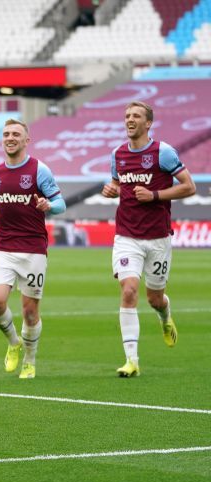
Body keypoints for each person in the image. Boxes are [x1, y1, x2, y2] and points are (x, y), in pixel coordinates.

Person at [101, 101, 195, 377]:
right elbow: (119, 183)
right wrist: (112, 188)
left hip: (158, 237)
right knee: (129, 289)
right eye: (127, 115)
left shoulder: (163, 153)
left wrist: (154, 195)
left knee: (155, 298)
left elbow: (189, 187)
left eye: (136, 116)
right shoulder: (117, 154)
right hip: (126, 235)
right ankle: (132, 360)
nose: (130, 119)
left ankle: (165, 318)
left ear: (148, 123)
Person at [0, 118, 66, 379]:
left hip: (33, 249)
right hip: (3, 248)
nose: (10, 137)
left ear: (26, 140)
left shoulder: (40, 170)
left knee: (30, 312)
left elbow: (60, 203)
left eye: (16, 133)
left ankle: (30, 359)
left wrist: (49, 207)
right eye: (6, 133)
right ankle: (14, 343)